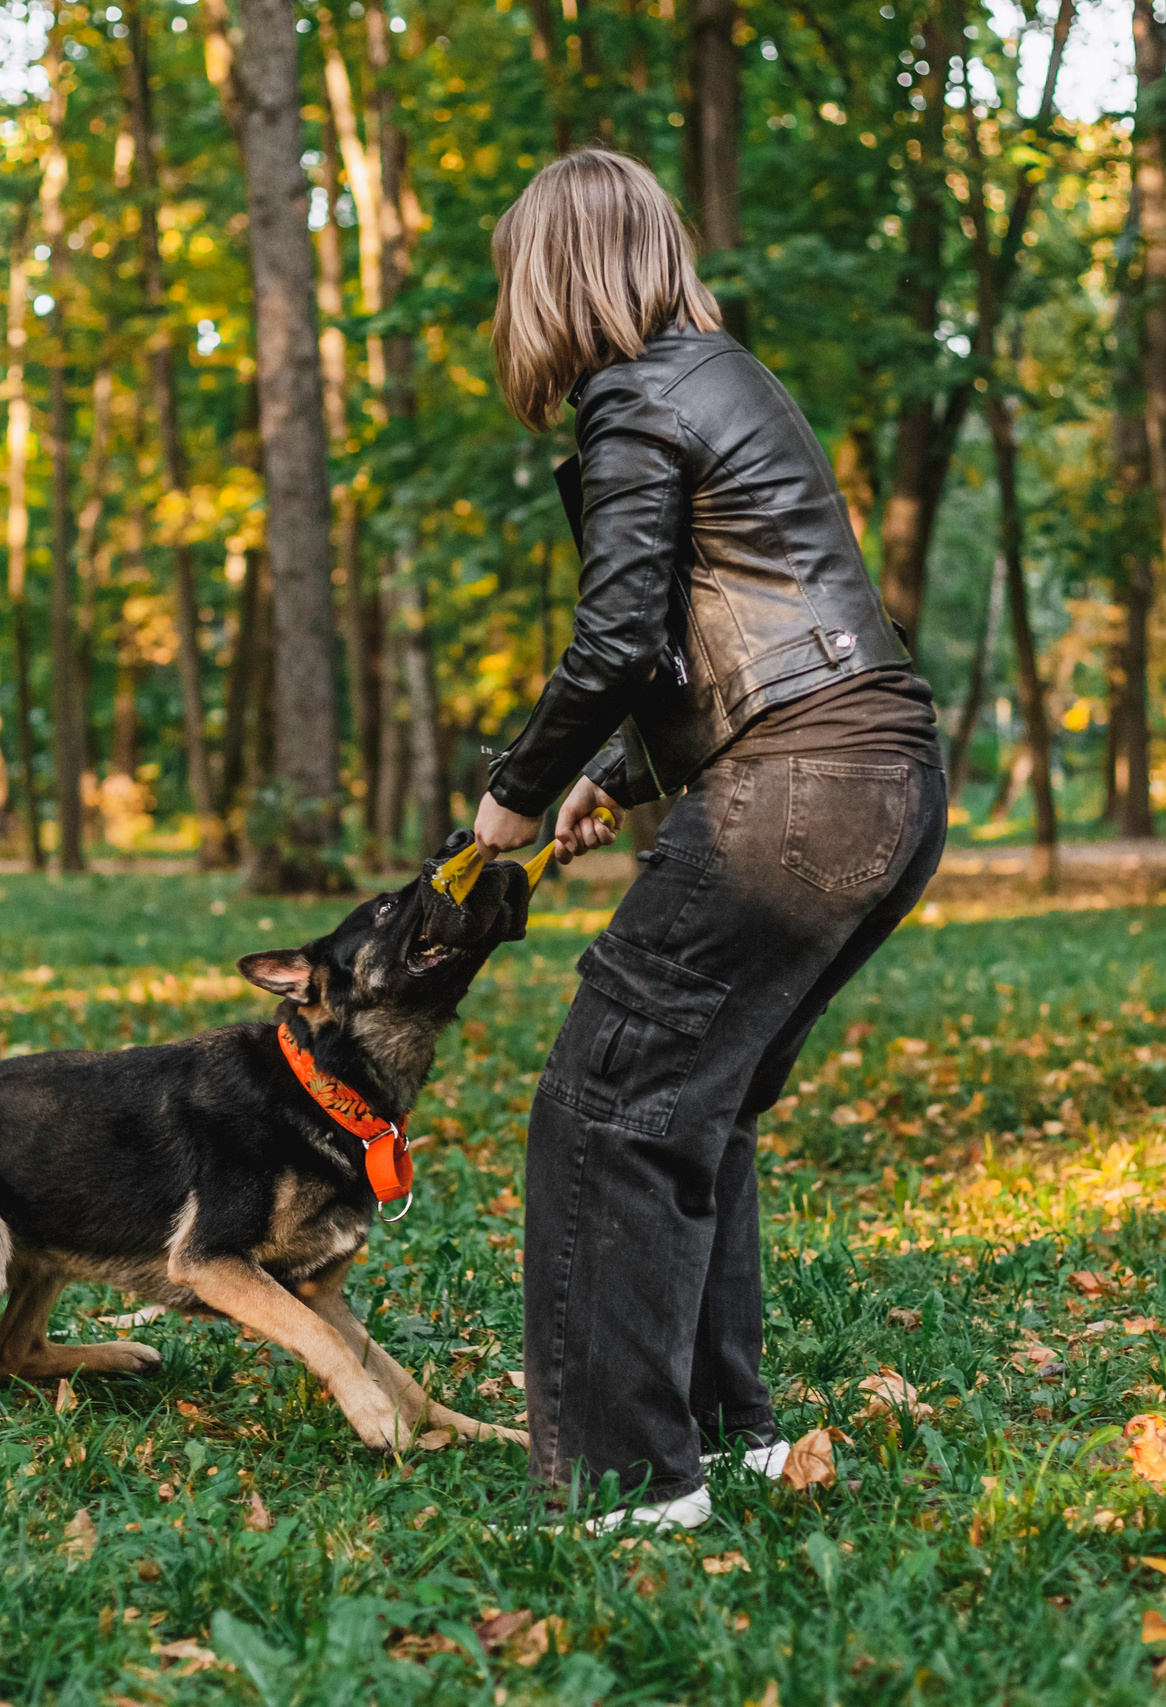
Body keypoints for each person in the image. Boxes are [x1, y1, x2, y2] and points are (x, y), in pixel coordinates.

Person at [471, 150, 949, 1533]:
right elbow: (742, 629)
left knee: (604, 1108)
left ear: (556, 275)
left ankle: (631, 1488)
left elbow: (618, 637)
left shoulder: (632, 397)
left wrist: (514, 787)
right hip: (882, 777)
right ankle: (727, 1439)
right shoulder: (731, 378)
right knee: (697, 1106)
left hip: (797, 793)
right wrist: (617, 778)